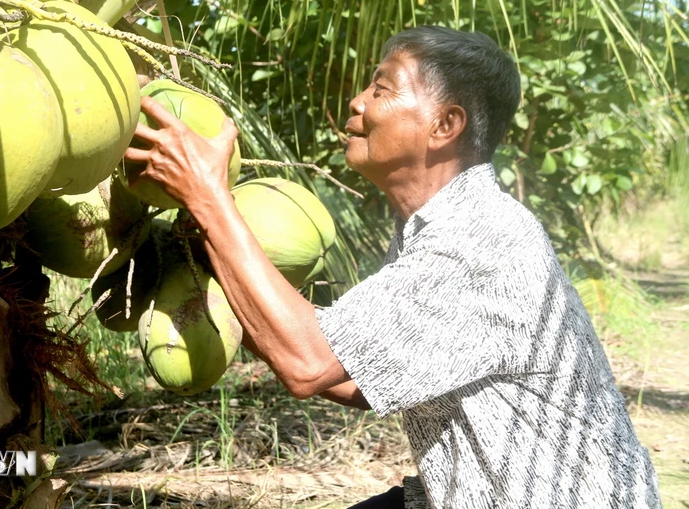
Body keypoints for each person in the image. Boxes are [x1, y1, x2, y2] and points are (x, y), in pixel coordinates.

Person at [123, 26, 661, 508]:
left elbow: (308, 365)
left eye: (381, 89)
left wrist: (209, 199)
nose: (356, 103)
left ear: (445, 124)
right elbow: (363, 378)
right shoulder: (429, 228)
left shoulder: (479, 240)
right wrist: (209, 251)